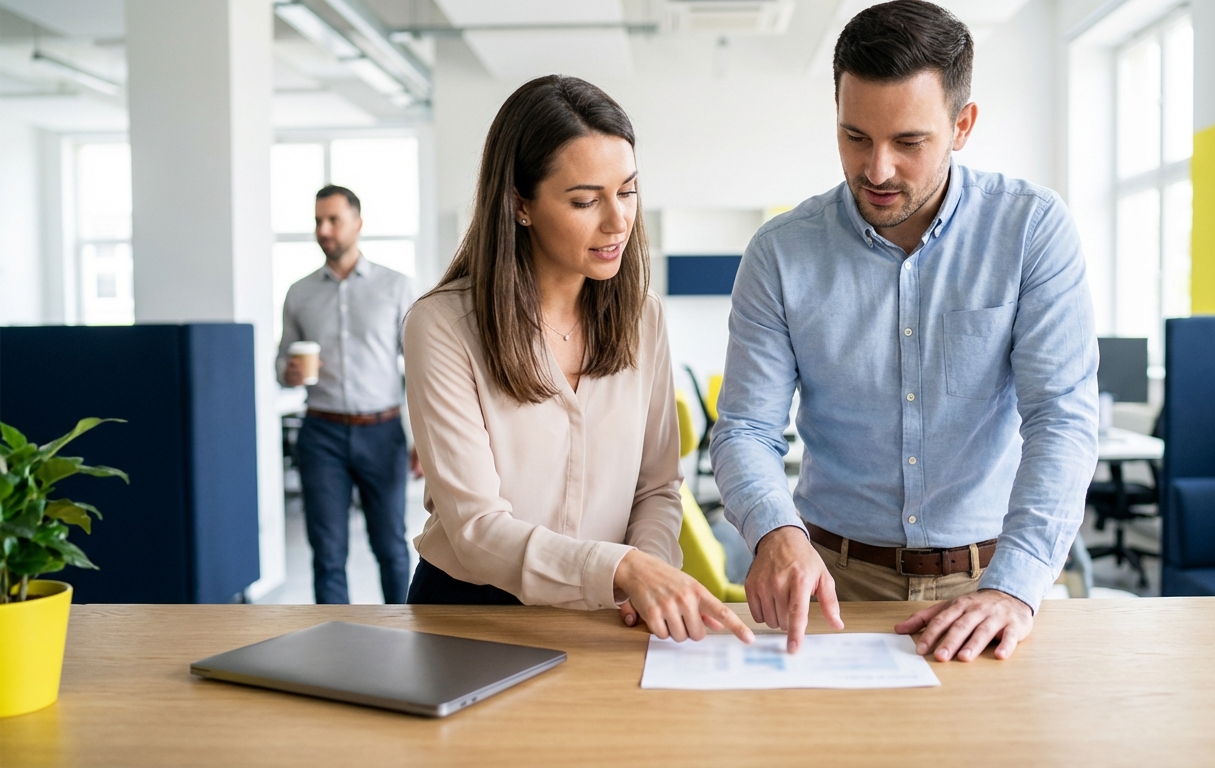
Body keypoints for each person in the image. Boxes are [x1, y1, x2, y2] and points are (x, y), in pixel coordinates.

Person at [710, 0, 1099, 659]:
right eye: (855, 137)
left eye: (909, 142)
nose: (878, 169)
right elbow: (746, 429)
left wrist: (1015, 586)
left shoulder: (1032, 230)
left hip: (991, 585)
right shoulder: (780, 253)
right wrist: (776, 532)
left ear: (962, 124)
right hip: (831, 582)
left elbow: (1061, 419)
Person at [403, 75, 753, 645]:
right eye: (586, 201)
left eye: (629, 190)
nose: (617, 221)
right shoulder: (442, 326)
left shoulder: (644, 319)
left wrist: (649, 571)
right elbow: (473, 528)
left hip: (610, 610)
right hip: (470, 612)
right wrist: (620, 570)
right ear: (520, 205)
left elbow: (657, 488)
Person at [277, 185, 418, 604]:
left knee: (391, 546)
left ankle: (407, 634)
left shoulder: (395, 287)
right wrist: (289, 371)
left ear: (357, 223)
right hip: (321, 433)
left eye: (333, 220)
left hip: (383, 431)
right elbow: (281, 369)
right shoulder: (299, 293)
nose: (324, 230)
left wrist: (423, 441)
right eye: (318, 221)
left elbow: (421, 369)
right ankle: (333, 643)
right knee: (327, 551)